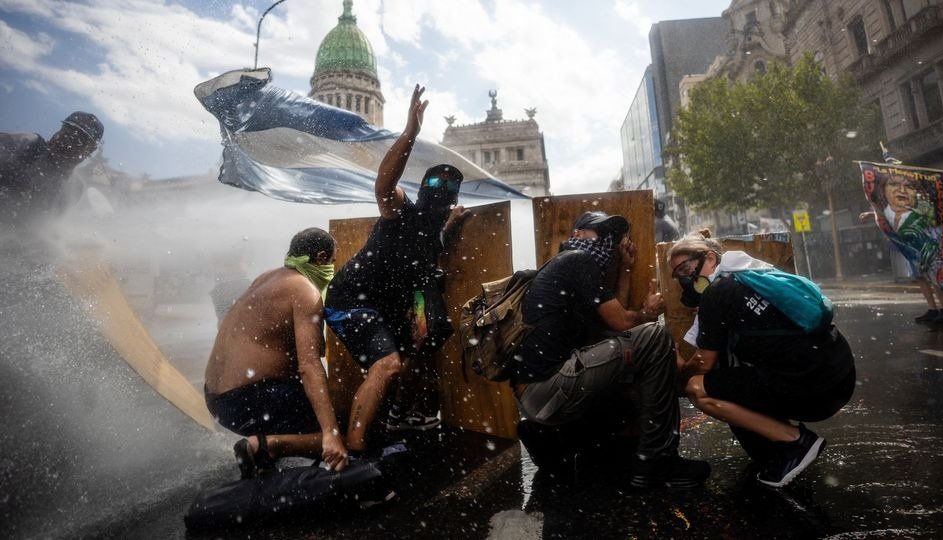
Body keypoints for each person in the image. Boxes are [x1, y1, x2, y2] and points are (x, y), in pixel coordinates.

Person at [511, 210, 711, 489]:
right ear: (577, 234)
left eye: (614, 237)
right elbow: (623, 321)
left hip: (538, 395)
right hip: (549, 387)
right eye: (600, 232)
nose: (609, 241)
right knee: (656, 336)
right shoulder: (577, 260)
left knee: (623, 406)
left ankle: (555, 440)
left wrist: (626, 268)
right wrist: (648, 312)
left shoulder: (566, 268)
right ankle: (657, 462)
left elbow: (616, 324)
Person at [324, 84, 471, 456]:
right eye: (437, 186)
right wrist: (410, 134)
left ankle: (402, 415)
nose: (443, 194)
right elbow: (384, 186)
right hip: (353, 302)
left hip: (398, 305)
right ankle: (355, 451)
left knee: (424, 344)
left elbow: (431, 246)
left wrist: (449, 229)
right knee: (388, 363)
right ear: (422, 192)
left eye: (449, 190)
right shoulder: (402, 212)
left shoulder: (433, 234)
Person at [668, 231, 856, 488]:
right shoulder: (749, 274)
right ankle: (777, 448)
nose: (684, 278)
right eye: (677, 273)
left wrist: (678, 364)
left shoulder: (717, 292)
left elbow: (703, 365)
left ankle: (795, 443)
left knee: (698, 388)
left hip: (815, 387)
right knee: (734, 376)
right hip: (838, 374)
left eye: (686, 268)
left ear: (710, 257)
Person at [205, 228, 348, 475]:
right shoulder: (305, 291)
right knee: (350, 431)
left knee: (321, 405)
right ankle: (267, 447)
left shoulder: (267, 277)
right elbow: (309, 366)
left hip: (215, 398)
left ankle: (270, 443)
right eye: (333, 262)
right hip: (244, 402)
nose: (331, 270)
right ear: (322, 258)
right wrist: (330, 432)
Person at [860, 170, 943, 324]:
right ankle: (932, 309)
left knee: (934, 277)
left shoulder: (919, 209)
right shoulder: (889, 211)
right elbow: (884, 215)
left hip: (928, 249)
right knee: (921, 278)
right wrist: (871, 214)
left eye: (906, 186)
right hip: (911, 251)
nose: (900, 190)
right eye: (893, 185)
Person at [0, 111, 104, 223]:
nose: (67, 140)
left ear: (91, 149)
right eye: (68, 129)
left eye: (80, 139)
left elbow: (49, 226)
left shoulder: (76, 188)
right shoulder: (26, 145)